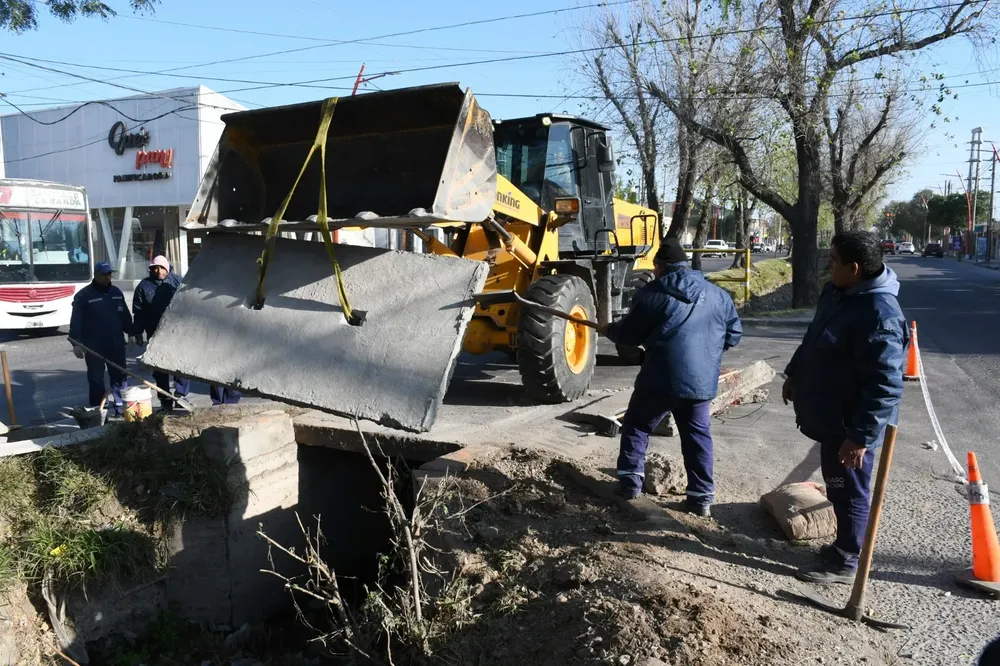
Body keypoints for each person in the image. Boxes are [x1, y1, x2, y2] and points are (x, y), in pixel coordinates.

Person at [782, 231, 908, 584]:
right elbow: (814, 337)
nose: (828, 266)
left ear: (854, 268)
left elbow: (885, 385)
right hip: (831, 417)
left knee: (848, 489)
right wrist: (794, 373)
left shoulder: (879, 315)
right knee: (837, 484)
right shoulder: (838, 293)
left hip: (851, 425)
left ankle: (847, 559)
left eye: (833, 261)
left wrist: (860, 437)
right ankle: (843, 547)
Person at [599, 238, 743, 517]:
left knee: (638, 426)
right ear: (685, 265)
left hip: (659, 379)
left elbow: (629, 336)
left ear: (660, 267)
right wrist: (709, 350)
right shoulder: (719, 296)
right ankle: (701, 499)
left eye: (654, 269)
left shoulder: (652, 294)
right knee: (697, 436)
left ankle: (629, 485)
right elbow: (733, 336)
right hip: (701, 383)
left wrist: (610, 330)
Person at [69, 261, 133, 415]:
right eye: (104, 274)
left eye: (109, 274)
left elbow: (124, 316)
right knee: (96, 378)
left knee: (119, 376)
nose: (107, 277)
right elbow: (76, 321)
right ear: (96, 275)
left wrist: (132, 333)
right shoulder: (84, 296)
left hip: (116, 343)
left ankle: (120, 407)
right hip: (94, 346)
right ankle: (98, 410)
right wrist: (76, 343)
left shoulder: (116, 293)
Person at [132, 255, 190, 413]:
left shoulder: (179, 282)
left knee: (180, 366)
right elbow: (139, 311)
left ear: (167, 268)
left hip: (177, 333)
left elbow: (189, 306)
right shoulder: (144, 286)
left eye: (161, 268)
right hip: (155, 333)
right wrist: (137, 332)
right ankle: (165, 400)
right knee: (159, 369)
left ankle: (181, 396)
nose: (158, 271)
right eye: (155, 268)